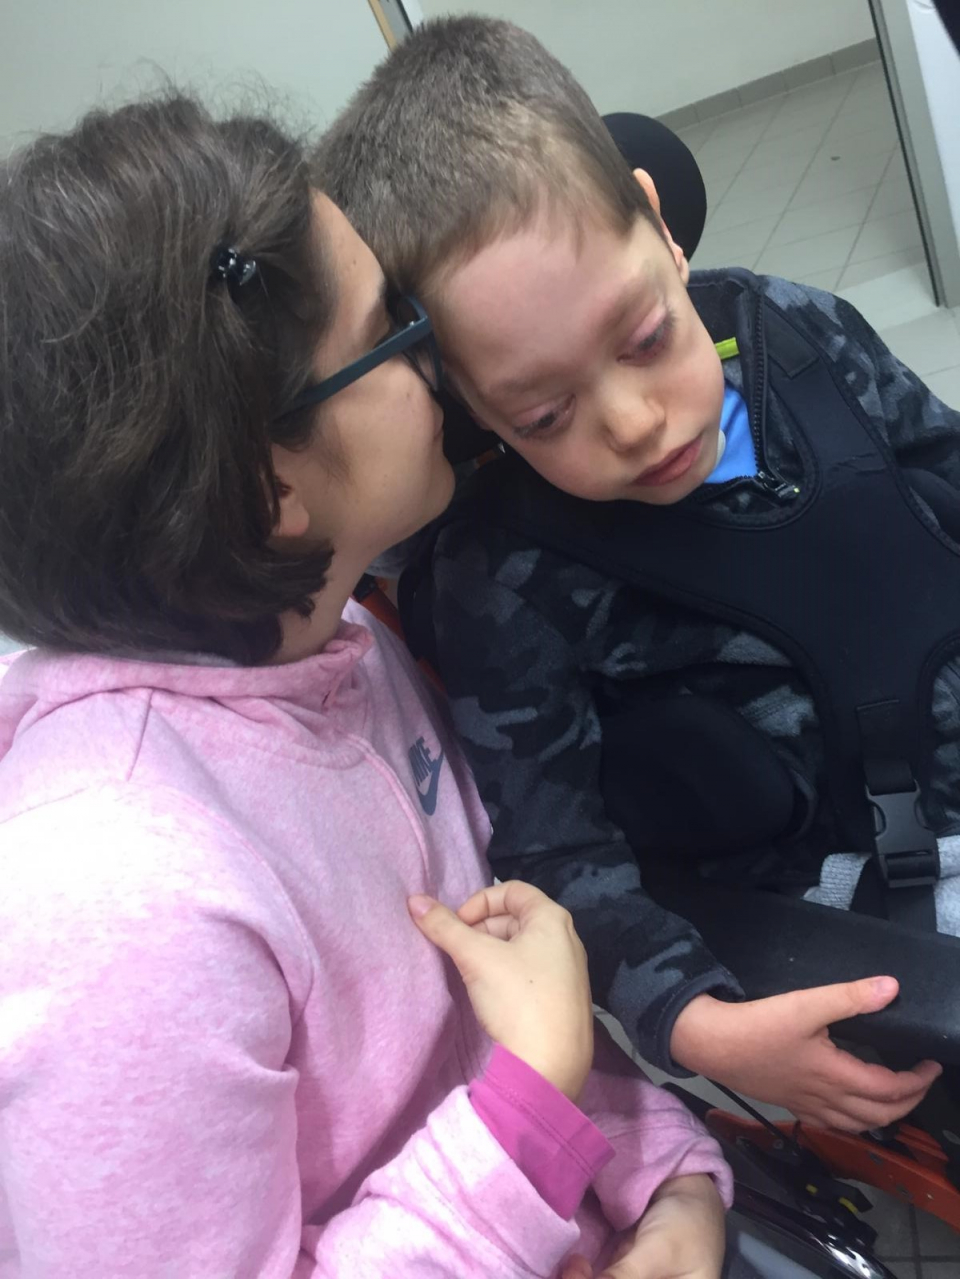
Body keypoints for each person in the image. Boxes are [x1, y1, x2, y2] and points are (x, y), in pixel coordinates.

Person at [0, 95, 733, 1277]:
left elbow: (511, 1010)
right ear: (270, 490)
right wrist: (523, 1117)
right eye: (395, 326)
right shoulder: (120, 909)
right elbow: (521, 1075)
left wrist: (670, 1181)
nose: (440, 354)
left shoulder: (339, 647)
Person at [316, 15, 957, 1133]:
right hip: (861, 893)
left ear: (661, 228)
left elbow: (942, 470)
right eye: (544, 413)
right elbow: (561, 857)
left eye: (649, 338)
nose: (631, 421)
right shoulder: (504, 581)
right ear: (467, 408)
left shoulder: (802, 337)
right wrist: (694, 1023)